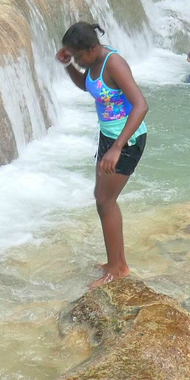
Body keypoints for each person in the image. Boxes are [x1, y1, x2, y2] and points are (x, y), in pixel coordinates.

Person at [57, 21, 148, 288]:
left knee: (105, 202)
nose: (77, 60)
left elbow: (141, 105)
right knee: (103, 200)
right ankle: (117, 264)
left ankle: (116, 271)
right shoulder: (92, 64)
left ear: (93, 47)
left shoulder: (114, 63)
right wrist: (68, 66)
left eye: (78, 56)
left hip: (127, 139)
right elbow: (88, 86)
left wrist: (118, 148)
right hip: (109, 136)